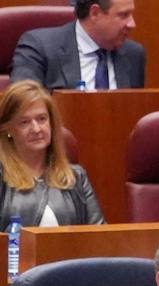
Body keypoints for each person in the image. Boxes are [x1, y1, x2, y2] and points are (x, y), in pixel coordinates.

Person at [11, 0, 143, 90]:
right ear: (95, 13)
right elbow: (24, 106)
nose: (132, 24)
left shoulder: (133, 54)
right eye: (123, 15)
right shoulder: (39, 47)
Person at [0, 81, 103, 226]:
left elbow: (98, 238)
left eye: (42, 119)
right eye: (24, 122)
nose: (36, 129)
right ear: (9, 130)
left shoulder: (76, 177)